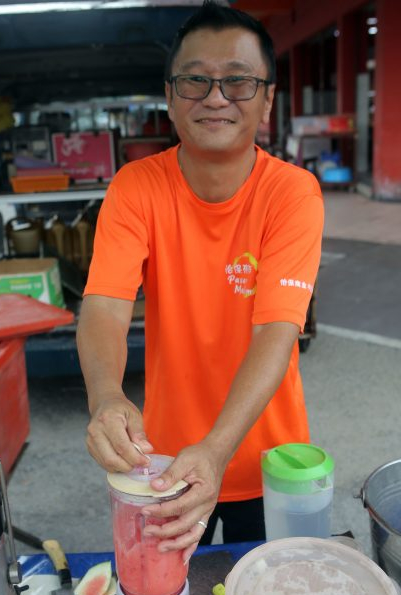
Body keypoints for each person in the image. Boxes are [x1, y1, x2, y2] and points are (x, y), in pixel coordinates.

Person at [77, 0, 323, 563]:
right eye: (195, 80)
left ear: (267, 100)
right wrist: (106, 398)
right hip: (164, 463)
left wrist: (216, 450)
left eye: (238, 81)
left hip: (270, 462)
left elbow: (276, 334)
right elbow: (106, 307)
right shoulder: (136, 187)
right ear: (169, 96)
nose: (215, 97)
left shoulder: (292, 193)